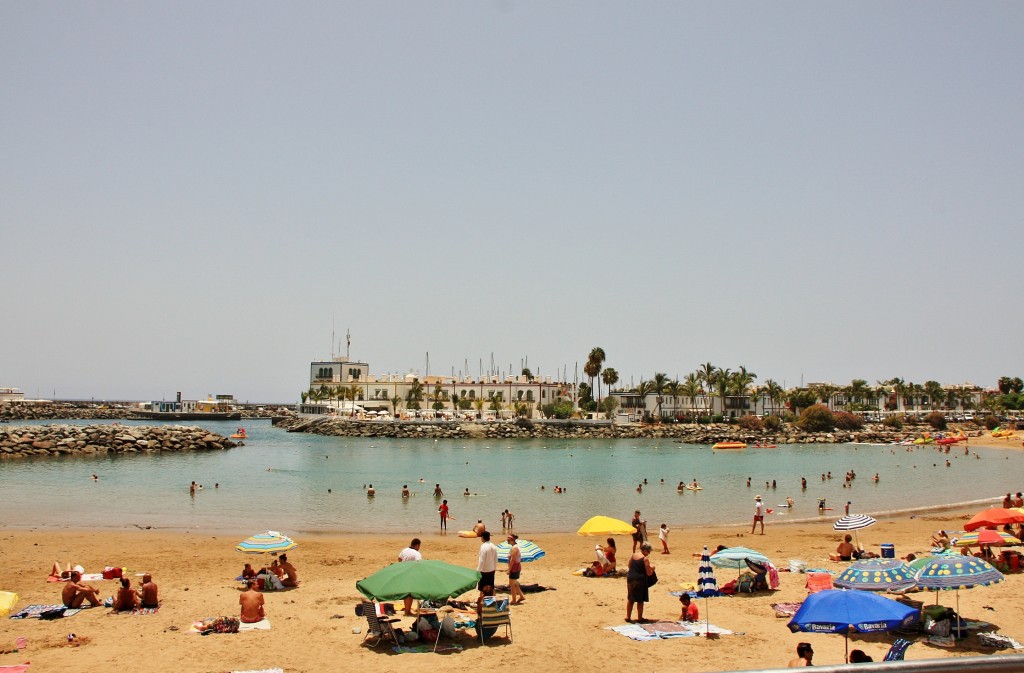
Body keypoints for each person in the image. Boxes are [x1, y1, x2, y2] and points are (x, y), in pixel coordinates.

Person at [625, 541, 655, 623]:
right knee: (640, 600)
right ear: (645, 550)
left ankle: (628, 616)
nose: (648, 553)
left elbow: (629, 565)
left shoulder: (633, 555)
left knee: (630, 598)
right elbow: (649, 573)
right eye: (648, 551)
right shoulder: (645, 559)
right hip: (639, 580)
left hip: (630, 578)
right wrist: (652, 569)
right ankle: (640, 618)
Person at [398, 538, 422, 615]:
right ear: (417, 545)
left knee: (405, 592)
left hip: (403, 572)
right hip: (411, 574)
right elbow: (419, 563)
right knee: (409, 593)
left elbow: (399, 559)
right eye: (419, 546)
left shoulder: (404, 550)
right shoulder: (416, 553)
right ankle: (407, 611)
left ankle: (407, 609)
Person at [506, 534, 525, 605]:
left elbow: (513, 560)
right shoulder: (514, 547)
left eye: (509, 540)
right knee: (515, 583)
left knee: (512, 584)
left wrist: (509, 569)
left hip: (514, 567)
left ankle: (514, 600)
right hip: (515, 567)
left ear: (513, 540)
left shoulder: (515, 548)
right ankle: (521, 596)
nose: (507, 541)